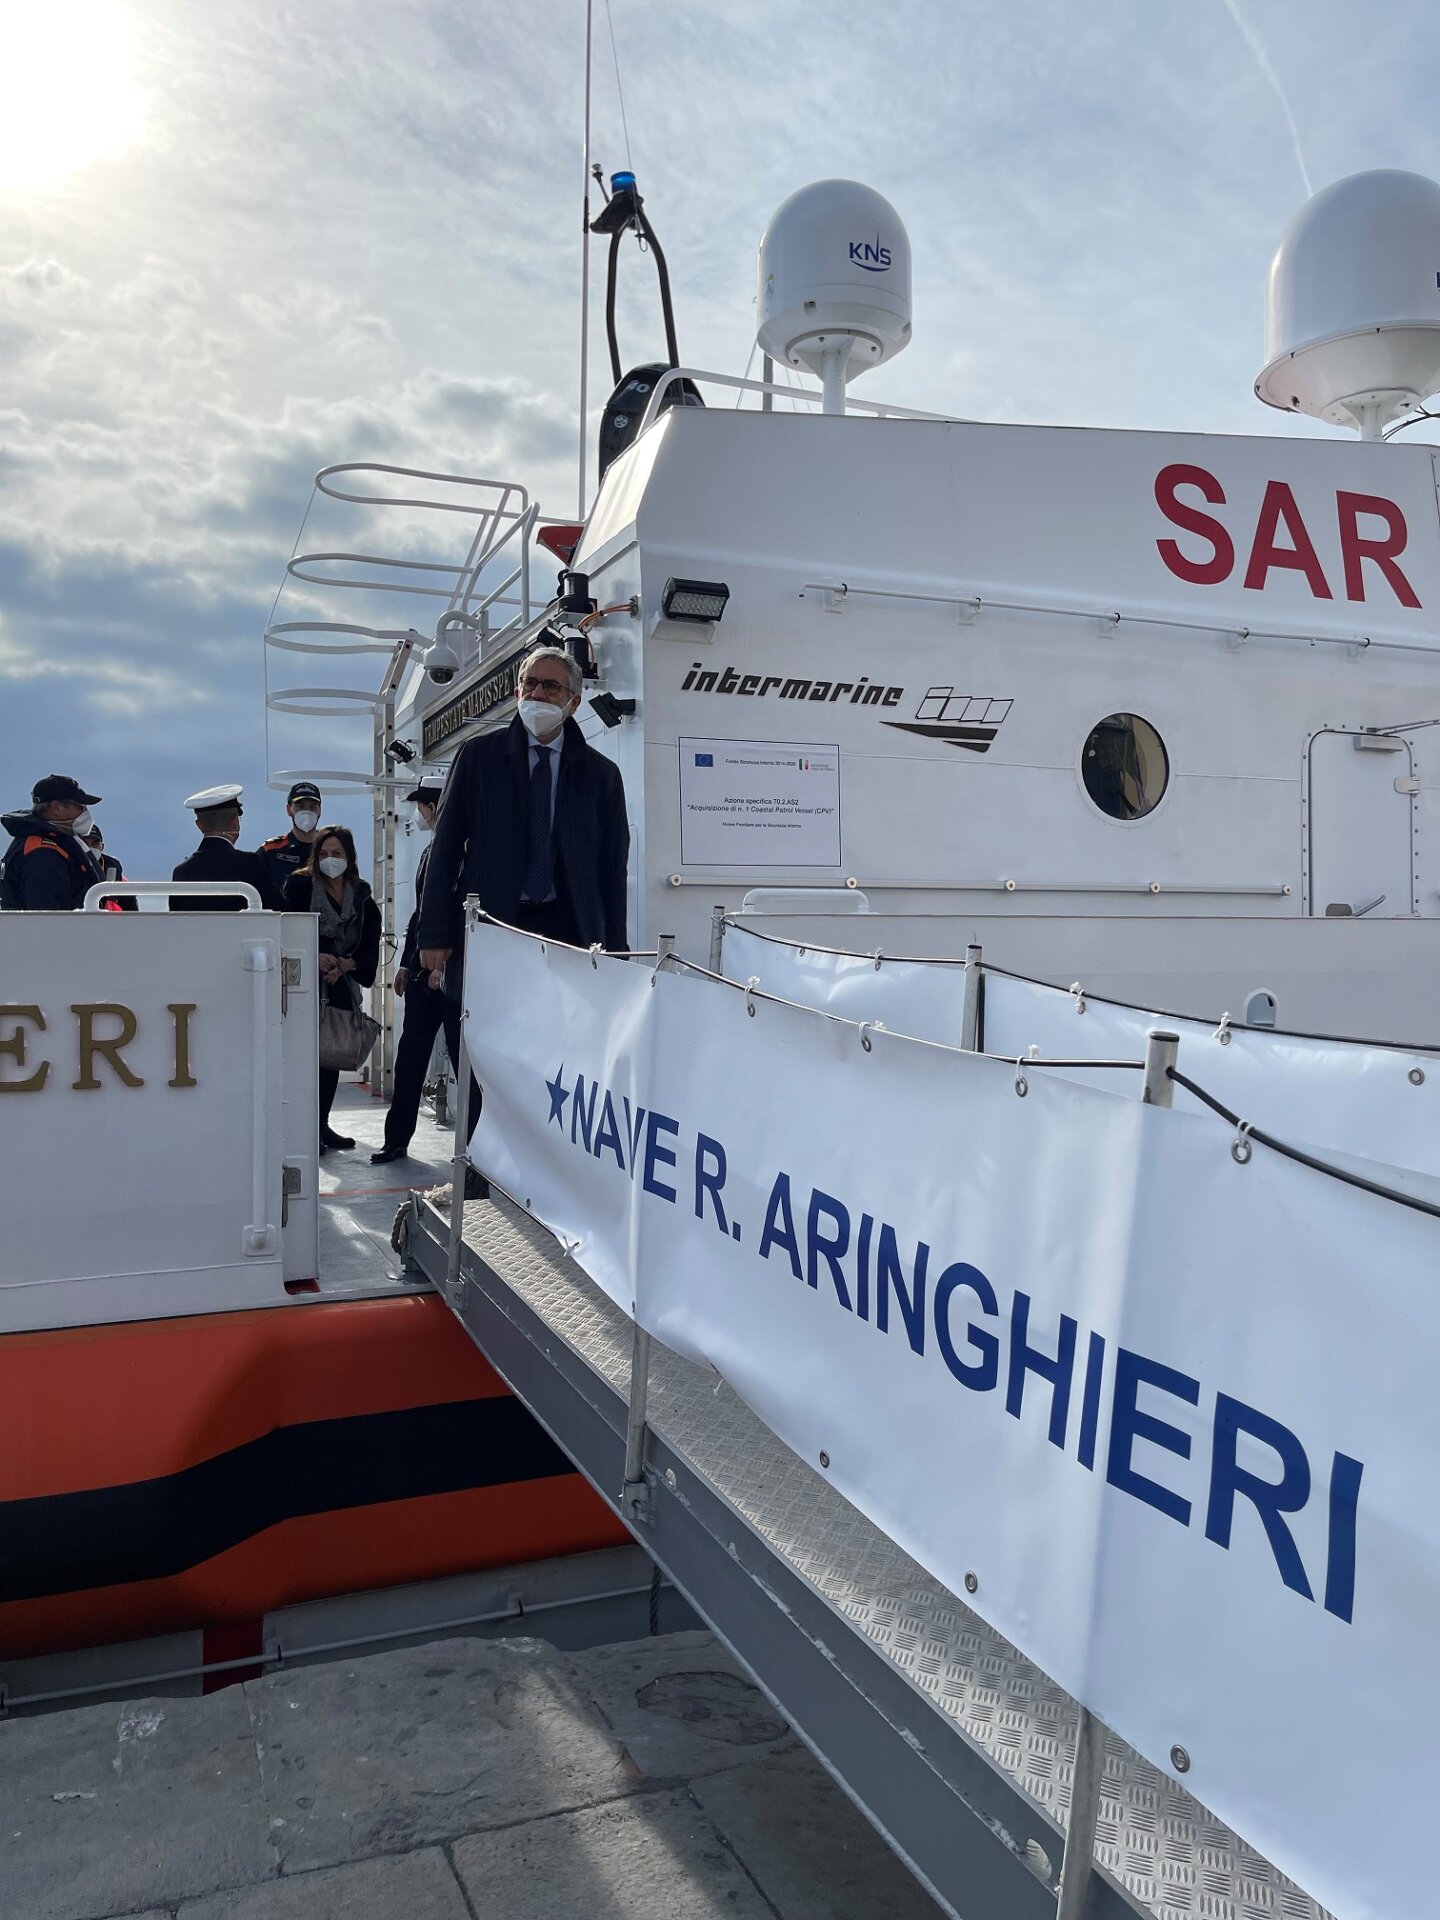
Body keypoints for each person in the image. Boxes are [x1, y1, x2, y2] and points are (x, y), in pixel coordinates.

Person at [416, 643, 629, 980]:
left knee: (564, 1030)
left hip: (569, 928)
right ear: (517, 692)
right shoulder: (478, 758)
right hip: (494, 922)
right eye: (530, 684)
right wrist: (433, 934)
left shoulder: (601, 776)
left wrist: (617, 950)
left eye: (551, 686)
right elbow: (446, 849)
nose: (538, 693)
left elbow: (612, 870)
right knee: (490, 1028)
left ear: (573, 703)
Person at [371, 782, 464, 1164]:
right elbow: (420, 915)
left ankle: (475, 1150)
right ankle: (396, 1141)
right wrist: (407, 963)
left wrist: (447, 967)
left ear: (432, 808)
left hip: (454, 980)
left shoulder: (466, 853)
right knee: (410, 1059)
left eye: (422, 807)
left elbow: (462, 918)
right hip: (422, 980)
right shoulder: (430, 853)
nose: (420, 816)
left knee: (466, 1064)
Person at [285, 825, 381, 1154]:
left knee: (328, 1058)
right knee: (300, 1058)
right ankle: (300, 1126)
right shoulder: (299, 885)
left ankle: (322, 1126)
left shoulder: (363, 893)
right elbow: (285, 928)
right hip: (303, 985)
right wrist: (313, 954)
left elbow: (370, 941)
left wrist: (347, 964)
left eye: (337, 854)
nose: (330, 859)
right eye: (323, 853)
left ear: (349, 857)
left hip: (340, 985)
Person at [172, 785, 284, 911]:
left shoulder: (181, 872)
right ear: (234, 822)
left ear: (199, 825)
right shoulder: (250, 863)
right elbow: (278, 907)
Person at [1, 774, 103, 911]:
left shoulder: (53, 844)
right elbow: (46, 915)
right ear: (57, 808)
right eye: (81, 806)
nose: (85, 812)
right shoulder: (41, 853)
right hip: (51, 931)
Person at [257, 780, 324, 897]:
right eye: (300, 806)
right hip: (282, 914)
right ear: (289, 809)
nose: (307, 812)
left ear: (319, 811)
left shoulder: (330, 850)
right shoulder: (271, 850)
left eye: (313, 807)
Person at [84, 822, 138, 910]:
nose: (90, 848)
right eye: (85, 843)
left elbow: (131, 912)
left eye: (95, 843)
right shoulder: (66, 868)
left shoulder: (118, 876)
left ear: (102, 847)